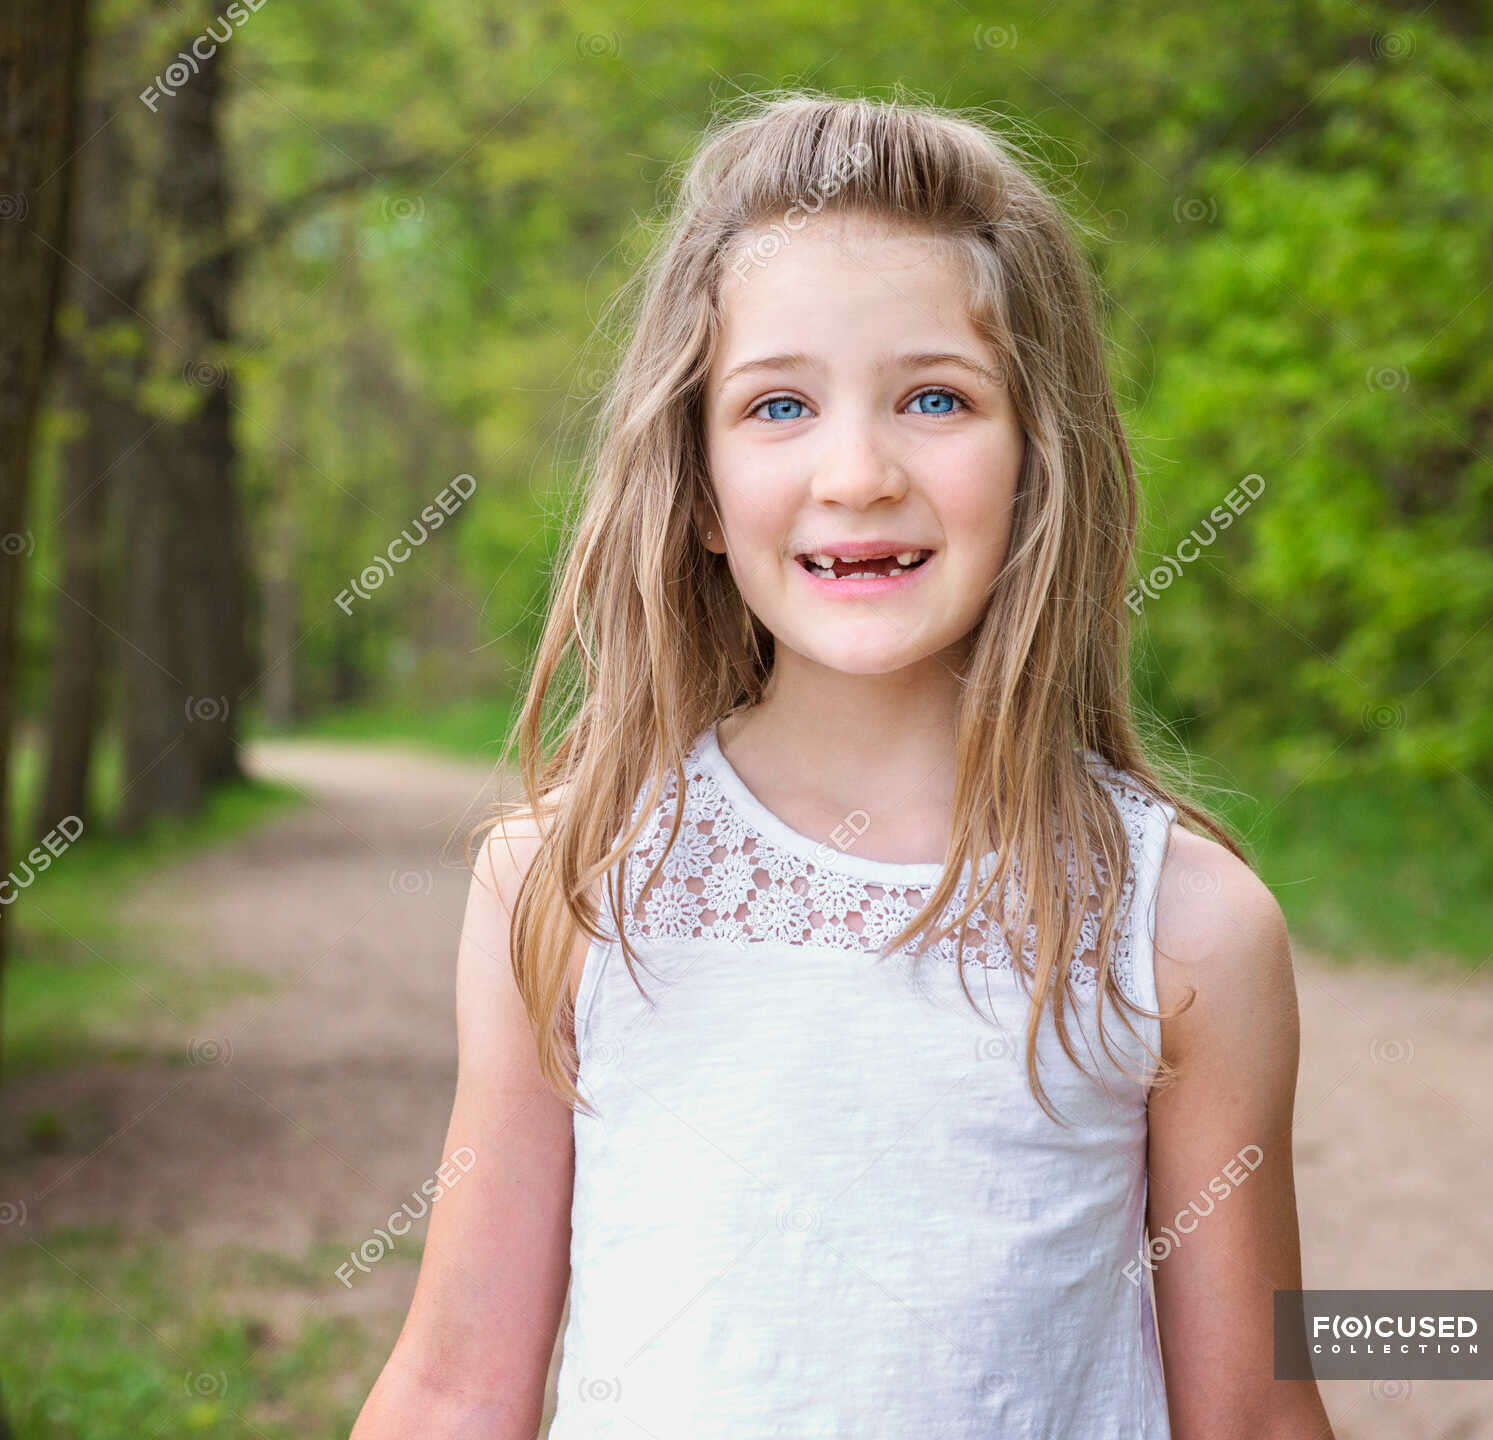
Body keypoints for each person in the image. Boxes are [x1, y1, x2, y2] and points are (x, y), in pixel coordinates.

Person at [351, 89, 1335, 1440]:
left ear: (1038, 461)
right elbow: (459, 1386)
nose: (858, 471)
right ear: (695, 483)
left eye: (936, 397)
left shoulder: (1185, 926)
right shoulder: (566, 884)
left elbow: (1257, 1420)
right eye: (778, 406)